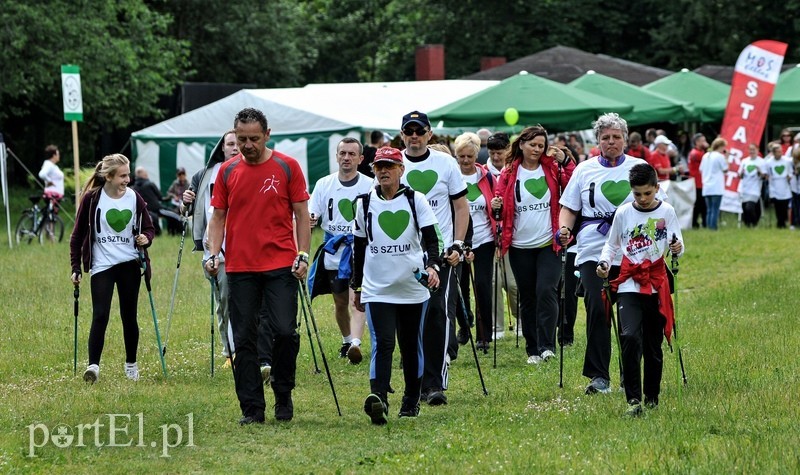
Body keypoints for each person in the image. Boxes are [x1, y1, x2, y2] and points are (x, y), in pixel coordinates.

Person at [206, 108, 311, 425]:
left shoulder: (287, 167)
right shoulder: (226, 171)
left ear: (267, 134)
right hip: (240, 267)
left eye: (253, 138)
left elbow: (302, 216)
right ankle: (252, 408)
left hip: (281, 264)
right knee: (245, 338)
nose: (247, 145)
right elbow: (218, 218)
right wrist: (214, 253)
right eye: (241, 139)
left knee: (283, 331)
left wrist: (303, 254)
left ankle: (283, 393)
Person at [558, 112, 650, 395]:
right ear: (597, 140)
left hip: (631, 250)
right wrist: (563, 229)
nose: (611, 142)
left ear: (625, 139)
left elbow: (657, 205)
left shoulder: (640, 166)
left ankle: (629, 375)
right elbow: (570, 207)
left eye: (616, 137)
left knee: (629, 314)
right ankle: (599, 376)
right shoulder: (584, 170)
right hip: (592, 248)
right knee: (597, 309)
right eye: (605, 138)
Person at [351, 146, 442, 424]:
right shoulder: (364, 203)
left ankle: (411, 400)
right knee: (383, 343)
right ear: (373, 171)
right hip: (378, 288)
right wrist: (357, 286)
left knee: (410, 344)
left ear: (401, 170)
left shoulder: (416, 200)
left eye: (389, 166)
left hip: (412, 287)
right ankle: (378, 398)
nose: (384, 172)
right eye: (379, 167)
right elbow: (359, 246)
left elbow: (432, 239)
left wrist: (433, 266)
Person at [596, 163, 684, 417]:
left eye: (648, 193)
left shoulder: (666, 211)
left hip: (657, 283)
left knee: (653, 346)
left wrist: (677, 248)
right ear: (631, 191)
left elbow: (677, 242)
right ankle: (633, 399)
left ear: (657, 188)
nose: (643, 199)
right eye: (637, 194)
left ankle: (652, 397)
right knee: (630, 337)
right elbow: (610, 246)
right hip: (629, 283)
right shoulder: (623, 213)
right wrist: (603, 264)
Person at [399, 110, 468, 406]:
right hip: (403, 253)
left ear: (429, 134)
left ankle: (435, 383)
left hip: (440, 254)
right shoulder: (393, 164)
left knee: (438, 314)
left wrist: (457, 244)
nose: (414, 136)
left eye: (420, 130)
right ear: (402, 135)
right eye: (409, 131)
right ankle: (413, 380)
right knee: (410, 318)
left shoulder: (446, 163)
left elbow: (461, 207)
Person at [491, 125, 574, 364]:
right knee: (527, 297)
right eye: (533, 145)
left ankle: (548, 345)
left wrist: (566, 160)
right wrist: (496, 207)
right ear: (521, 144)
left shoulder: (552, 168)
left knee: (546, 290)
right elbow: (499, 200)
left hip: (549, 242)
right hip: (519, 245)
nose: (537, 149)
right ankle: (533, 348)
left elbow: (573, 183)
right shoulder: (508, 172)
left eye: (541, 146)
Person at [69, 154, 155, 383]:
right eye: (123, 175)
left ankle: (131, 364)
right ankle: (93, 367)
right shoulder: (92, 199)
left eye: (128, 174)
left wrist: (145, 238)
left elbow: (149, 228)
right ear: (108, 176)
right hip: (102, 265)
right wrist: (76, 266)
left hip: (129, 263)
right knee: (100, 315)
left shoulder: (134, 198)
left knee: (129, 316)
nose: (128, 179)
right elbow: (77, 236)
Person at [308, 137, 373, 364]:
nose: (346, 158)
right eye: (342, 153)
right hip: (334, 249)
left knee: (359, 298)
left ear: (360, 159)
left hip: (360, 248)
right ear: (336, 156)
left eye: (351, 154)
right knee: (340, 301)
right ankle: (347, 339)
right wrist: (310, 220)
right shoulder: (324, 184)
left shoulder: (369, 185)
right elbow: (312, 214)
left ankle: (356, 343)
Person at [182, 130, 240, 368]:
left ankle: (254, 350)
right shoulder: (205, 175)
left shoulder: (252, 171)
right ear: (222, 148)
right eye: (231, 144)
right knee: (225, 300)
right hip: (216, 251)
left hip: (248, 250)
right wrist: (186, 201)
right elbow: (190, 211)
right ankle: (230, 352)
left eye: (239, 143)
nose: (235, 148)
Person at [454, 132, 497, 350]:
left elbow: (496, 202)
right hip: (459, 239)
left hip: (484, 239)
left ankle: (484, 336)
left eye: (469, 156)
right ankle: (464, 322)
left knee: (482, 286)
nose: (465, 161)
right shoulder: (452, 176)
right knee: (460, 286)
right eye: (461, 156)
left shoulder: (487, 177)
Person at [486, 133, 518, 338]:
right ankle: (496, 326)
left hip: (512, 234)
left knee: (513, 284)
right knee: (494, 282)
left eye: (500, 152)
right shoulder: (484, 173)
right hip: (490, 235)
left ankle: (521, 317)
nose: (496, 157)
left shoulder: (514, 170)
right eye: (492, 153)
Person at [699, 137, 729, 231]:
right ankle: (713, 228)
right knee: (715, 209)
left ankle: (709, 227)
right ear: (721, 146)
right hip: (716, 186)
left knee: (709, 209)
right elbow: (725, 169)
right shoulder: (720, 156)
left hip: (706, 186)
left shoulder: (706, 155)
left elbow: (701, 169)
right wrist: (727, 158)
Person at [738, 144, 767, 227]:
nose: (752, 151)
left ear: (757, 150)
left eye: (753, 149)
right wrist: (742, 173)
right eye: (750, 150)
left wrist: (760, 172)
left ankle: (754, 223)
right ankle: (748, 225)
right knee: (744, 209)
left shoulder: (761, 161)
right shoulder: (744, 161)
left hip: (755, 189)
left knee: (749, 207)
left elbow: (764, 176)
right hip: (744, 188)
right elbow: (739, 175)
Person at [131, 167, 166, 236]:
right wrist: (170, 197)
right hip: (157, 209)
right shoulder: (150, 184)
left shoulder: (133, 188)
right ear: (144, 175)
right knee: (175, 216)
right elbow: (160, 197)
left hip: (143, 211)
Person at [765, 143, 793, 229]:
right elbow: (767, 173)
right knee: (777, 205)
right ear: (773, 153)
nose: (779, 153)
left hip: (784, 184)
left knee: (784, 205)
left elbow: (790, 171)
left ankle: (783, 222)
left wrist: (789, 176)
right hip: (774, 184)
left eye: (780, 152)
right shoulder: (769, 162)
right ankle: (779, 222)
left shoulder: (787, 161)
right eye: (777, 152)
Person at [687, 133, 708, 228]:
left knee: (703, 205)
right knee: (698, 205)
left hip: (702, 183)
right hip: (697, 183)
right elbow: (707, 158)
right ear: (697, 142)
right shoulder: (695, 153)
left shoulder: (701, 152)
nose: (705, 143)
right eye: (703, 141)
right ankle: (695, 223)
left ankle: (703, 222)